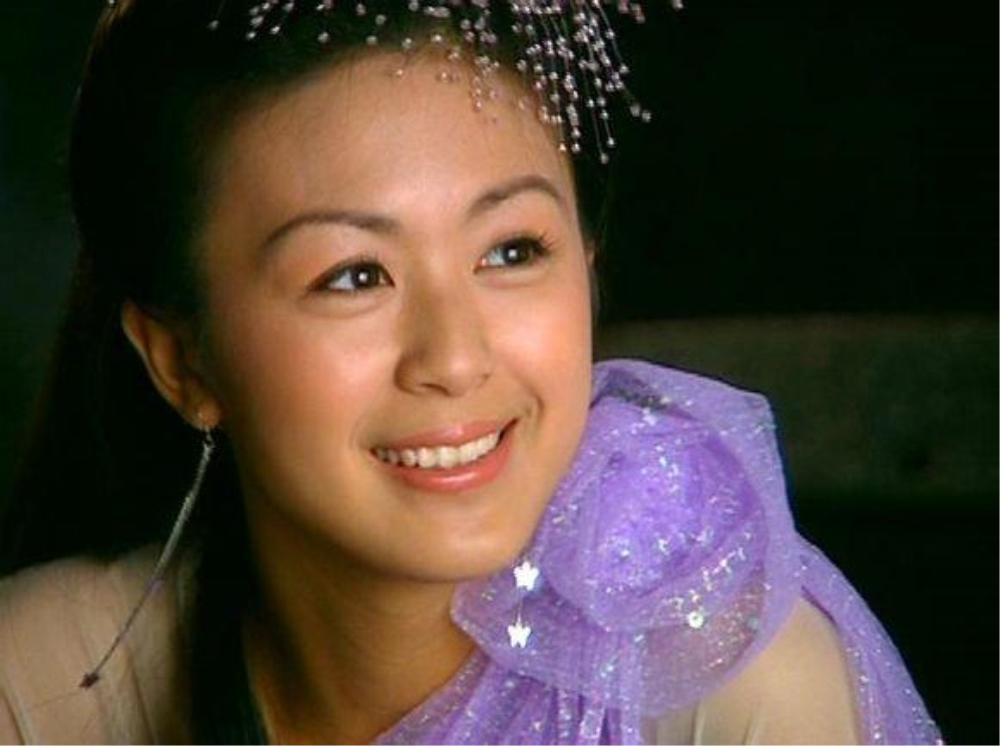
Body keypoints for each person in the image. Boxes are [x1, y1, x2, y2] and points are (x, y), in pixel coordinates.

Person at [0, 1, 941, 743]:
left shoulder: (727, 689)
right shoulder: (39, 688)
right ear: (182, 362)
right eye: (353, 275)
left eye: (511, 251)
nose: (455, 358)